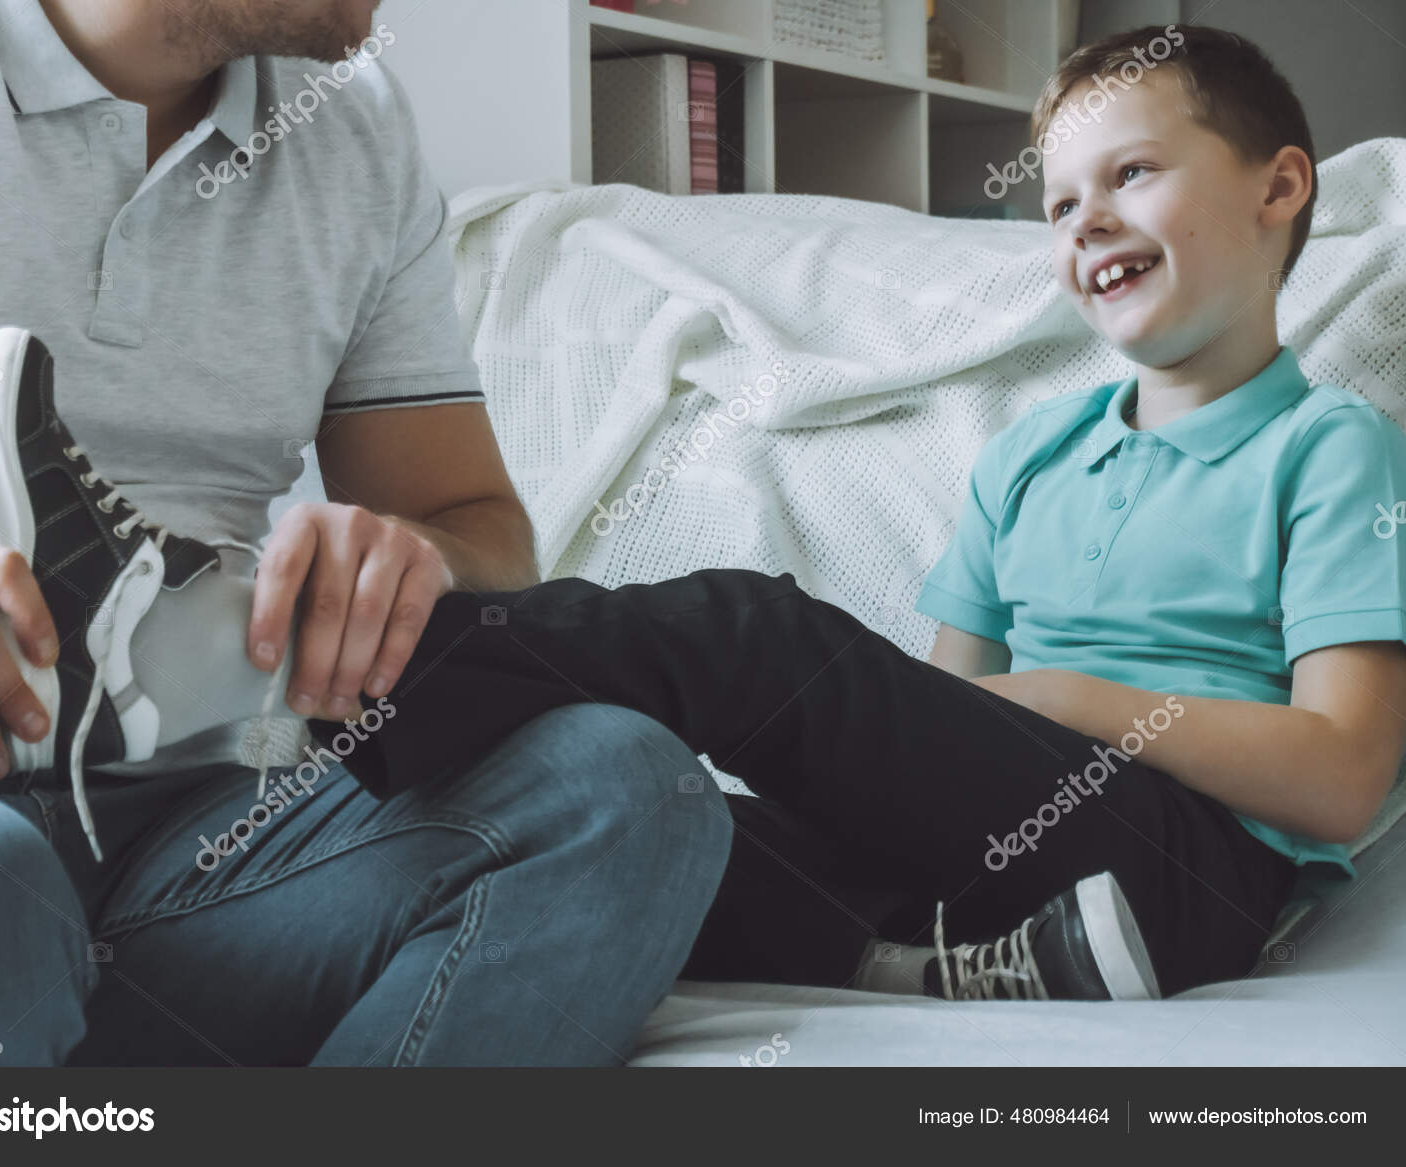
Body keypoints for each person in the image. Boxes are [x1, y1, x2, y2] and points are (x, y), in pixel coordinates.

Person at [296, 25, 1406, 1004]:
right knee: (638, 808)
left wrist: (1072, 699)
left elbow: (1341, 776)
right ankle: (914, 962)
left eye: (1134, 173)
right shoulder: (1030, 458)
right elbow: (948, 726)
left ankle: (356, 682)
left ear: (1277, 189)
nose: (1086, 221)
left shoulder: (1330, 447)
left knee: (756, 632)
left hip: (1187, 875)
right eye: (1060, 201)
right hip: (1008, 871)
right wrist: (1003, 723)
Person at [0, 0, 732, 1067]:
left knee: (622, 786)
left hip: (196, 833)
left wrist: (410, 559)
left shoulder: (350, 127)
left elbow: (476, 530)